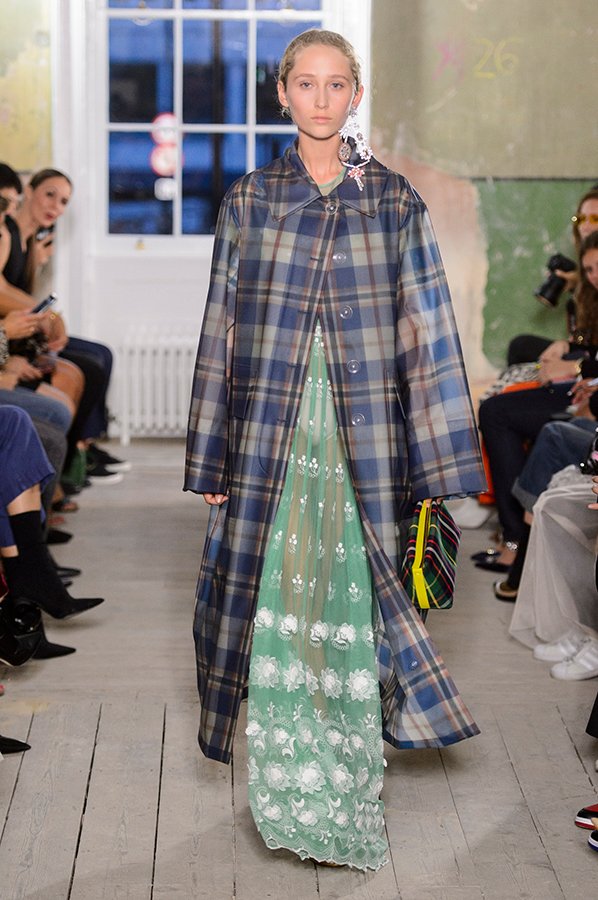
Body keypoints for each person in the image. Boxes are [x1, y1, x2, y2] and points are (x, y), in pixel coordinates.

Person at [185, 29, 485, 870]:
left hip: (367, 440)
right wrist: (210, 456)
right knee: (277, 607)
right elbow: (222, 328)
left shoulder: (392, 199)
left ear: (356, 94)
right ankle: (291, 792)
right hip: (270, 438)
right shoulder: (251, 198)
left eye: (337, 84)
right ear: (282, 92)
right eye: (306, 84)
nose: (321, 99)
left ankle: (347, 793)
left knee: (353, 612)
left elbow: (427, 330)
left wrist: (440, 465)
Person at [477, 231, 598, 571]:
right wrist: (572, 352)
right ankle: (514, 535)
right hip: (587, 383)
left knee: (496, 412)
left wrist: (578, 368)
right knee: (519, 355)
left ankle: (516, 538)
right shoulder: (586, 291)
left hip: (589, 392)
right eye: (588, 270)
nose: (593, 277)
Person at [507, 188, 598, 366]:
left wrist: (576, 368)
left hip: (591, 362)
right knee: (521, 346)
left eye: (595, 219)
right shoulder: (584, 282)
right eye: (580, 219)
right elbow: (583, 339)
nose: (585, 226)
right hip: (588, 353)